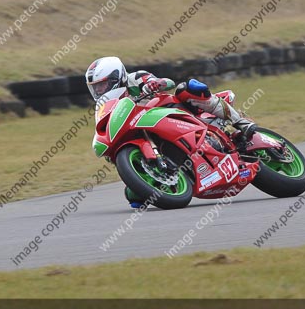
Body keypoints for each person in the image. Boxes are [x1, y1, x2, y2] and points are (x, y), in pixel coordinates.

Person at [85, 56, 257, 208]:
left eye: (103, 85)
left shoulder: (135, 79)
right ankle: (171, 170)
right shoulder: (105, 106)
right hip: (148, 134)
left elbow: (167, 82)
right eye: (96, 88)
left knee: (187, 88)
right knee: (134, 197)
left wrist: (155, 83)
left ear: (117, 77)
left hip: (172, 111)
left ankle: (240, 123)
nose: (100, 90)